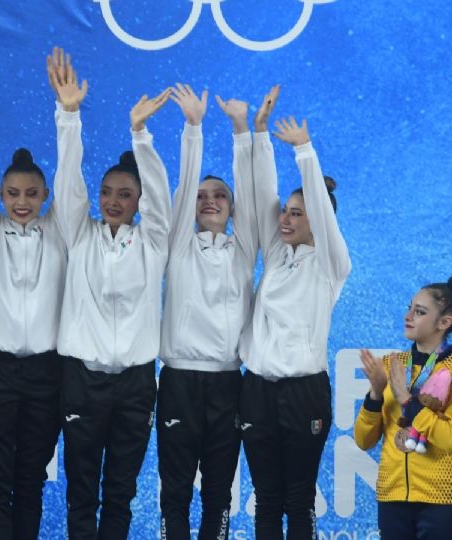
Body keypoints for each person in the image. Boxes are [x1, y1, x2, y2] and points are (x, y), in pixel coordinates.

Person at [48, 47, 172, 539]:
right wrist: (69, 115)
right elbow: (66, 181)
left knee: (121, 491)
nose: (114, 201)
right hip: (82, 379)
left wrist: (140, 135)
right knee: (82, 489)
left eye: (125, 194)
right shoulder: (79, 235)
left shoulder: (155, 242)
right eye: (108, 193)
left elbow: (164, 199)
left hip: (137, 384)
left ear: (139, 201)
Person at [236, 92, 352, 539]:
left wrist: (304, 151)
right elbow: (263, 193)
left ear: (318, 222)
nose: (285, 218)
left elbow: (322, 216)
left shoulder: (331, 265)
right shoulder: (276, 255)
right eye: (286, 210)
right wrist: (260, 134)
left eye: (297, 213)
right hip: (257, 391)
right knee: (266, 500)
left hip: (304, 392)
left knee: (299, 500)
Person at [0, 53, 68, 539]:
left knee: (32, 479)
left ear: (46, 195)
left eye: (31, 193)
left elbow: (72, 174)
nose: (22, 202)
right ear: (0, 195)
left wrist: (65, 112)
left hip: (47, 373)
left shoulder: (61, 231)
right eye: (13, 193)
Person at [155, 84, 257, 539]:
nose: (209, 199)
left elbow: (256, 195)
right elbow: (181, 185)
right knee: (174, 490)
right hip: (178, 379)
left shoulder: (245, 250)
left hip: (227, 384)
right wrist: (192, 127)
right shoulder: (177, 245)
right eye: (201, 195)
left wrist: (241, 131)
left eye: (219, 194)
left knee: (219, 492)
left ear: (233, 209)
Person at [354, 277, 452, 539]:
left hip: (443, 498)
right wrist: (376, 394)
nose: (408, 316)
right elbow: (363, 441)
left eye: (419, 312)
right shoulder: (390, 364)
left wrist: (408, 402)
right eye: (410, 308)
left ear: (445, 322)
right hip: (393, 494)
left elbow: (451, 438)